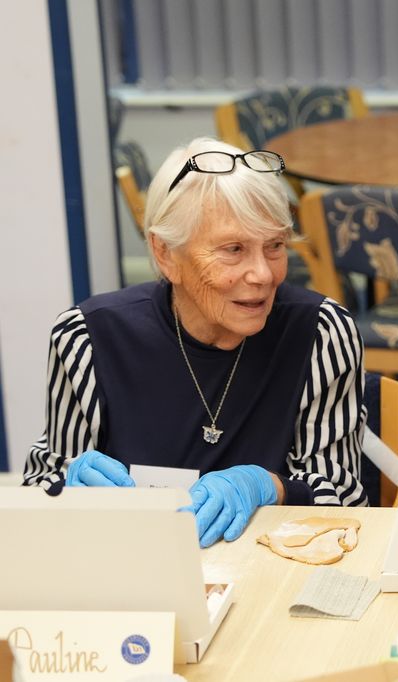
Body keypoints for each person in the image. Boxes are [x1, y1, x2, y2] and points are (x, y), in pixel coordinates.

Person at [23, 137, 367, 546]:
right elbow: (42, 487)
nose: (263, 274)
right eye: (233, 249)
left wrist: (270, 486)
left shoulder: (321, 333)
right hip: (134, 569)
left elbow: (346, 498)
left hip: (273, 571)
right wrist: (67, 489)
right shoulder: (87, 338)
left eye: (274, 246)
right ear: (166, 254)